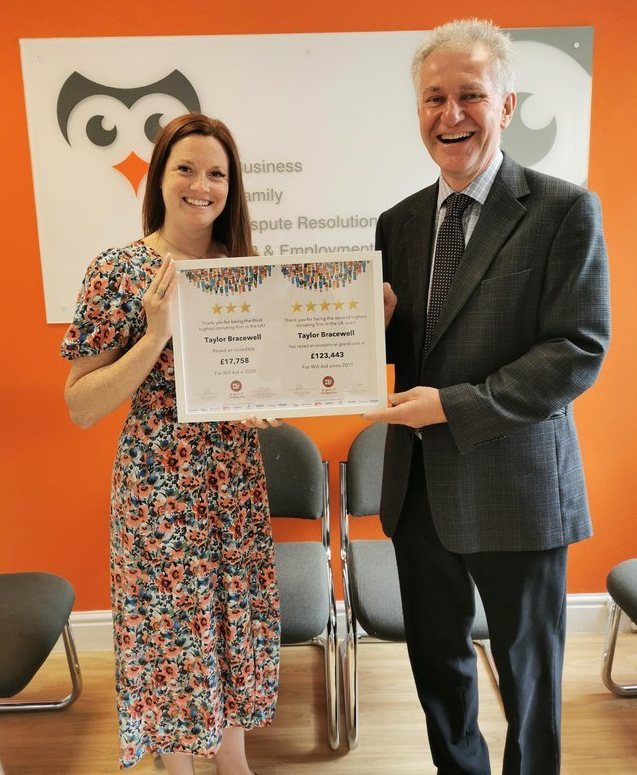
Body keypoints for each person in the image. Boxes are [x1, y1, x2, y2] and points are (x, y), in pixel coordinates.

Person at [364, 19, 610, 775]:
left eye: (469, 94)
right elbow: (403, 356)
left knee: (528, 673)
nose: (450, 114)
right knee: (438, 667)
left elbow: (576, 349)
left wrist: (454, 405)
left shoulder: (563, 210)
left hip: (517, 485)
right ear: (417, 111)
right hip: (419, 495)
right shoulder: (396, 221)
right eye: (433, 98)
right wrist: (364, 332)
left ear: (506, 105)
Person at [62, 113, 280, 775]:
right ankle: (176, 763)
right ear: (159, 176)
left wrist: (274, 402)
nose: (201, 184)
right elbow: (80, 404)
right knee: (168, 632)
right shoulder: (118, 271)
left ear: (231, 187)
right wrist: (154, 334)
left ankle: (232, 756)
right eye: (185, 167)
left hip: (235, 482)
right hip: (158, 489)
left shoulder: (246, 270)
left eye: (216, 172)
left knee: (231, 619)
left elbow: (265, 378)